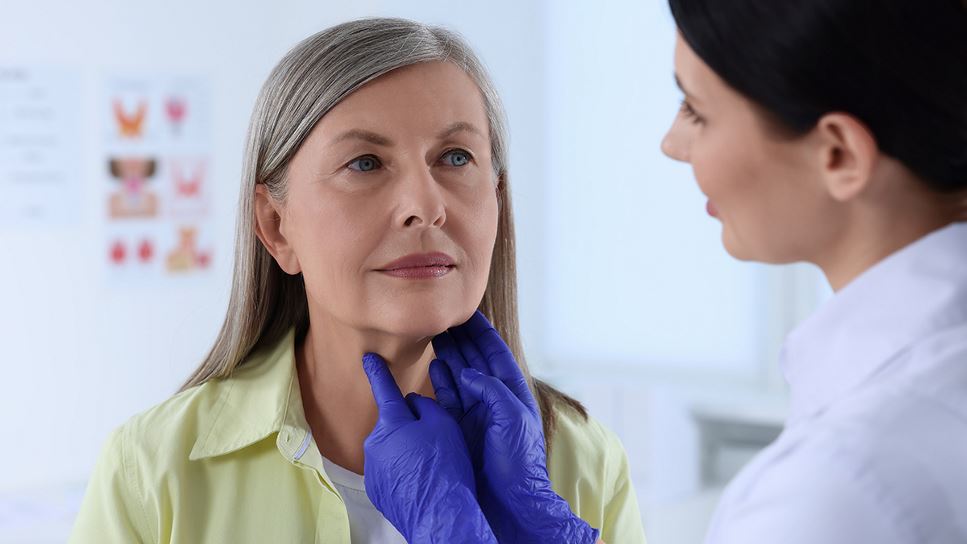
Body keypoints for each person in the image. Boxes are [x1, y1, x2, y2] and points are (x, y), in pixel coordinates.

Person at [397, 0, 966, 542]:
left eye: (696, 110)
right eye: (366, 164)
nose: (673, 143)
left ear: (839, 153)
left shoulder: (841, 490)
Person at [69, 17, 646, 544]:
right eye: (365, 163)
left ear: (498, 201)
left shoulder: (582, 463)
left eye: (455, 157)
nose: (426, 206)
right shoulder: (152, 471)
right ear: (276, 227)